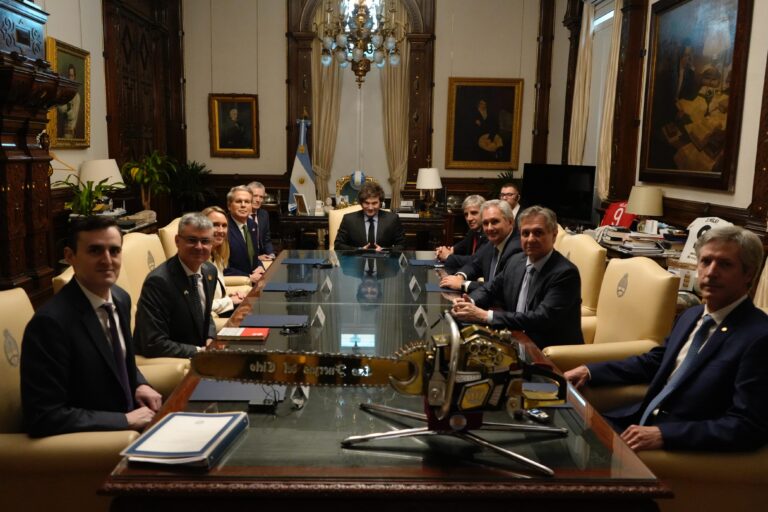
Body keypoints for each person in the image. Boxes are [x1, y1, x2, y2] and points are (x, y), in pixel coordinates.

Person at [565, 226, 768, 453]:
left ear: (748, 273)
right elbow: (654, 362)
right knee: (554, 428)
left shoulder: (758, 337)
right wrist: (590, 371)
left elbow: (748, 425)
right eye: (706, 261)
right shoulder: (692, 314)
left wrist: (666, 436)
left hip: (671, 445)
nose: (711, 272)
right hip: (633, 421)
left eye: (725, 264)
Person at [20, 216, 161, 437]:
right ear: (70, 256)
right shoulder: (50, 324)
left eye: (114, 251)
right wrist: (123, 420)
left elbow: (118, 360)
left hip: (139, 421)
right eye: (95, 251)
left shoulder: (120, 298)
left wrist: (139, 384)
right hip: (99, 443)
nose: (107, 260)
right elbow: (44, 416)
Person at [451, 205, 583, 349]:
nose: (530, 239)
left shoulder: (565, 273)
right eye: (525, 233)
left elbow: (540, 319)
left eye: (538, 233)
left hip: (546, 349)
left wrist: (485, 315)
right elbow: (490, 289)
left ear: (554, 234)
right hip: (515, 338)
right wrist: (469, 302)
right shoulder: (516, 261)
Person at [134, 212, 218, 358]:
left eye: (205, 241)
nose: (199, 247)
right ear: (177, 241)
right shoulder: (159, 282)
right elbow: (153, 343)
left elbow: (205, 314)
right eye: (192, 240)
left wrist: (210, 337)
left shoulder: (209, 271)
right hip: (171, 361)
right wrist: (198, 351)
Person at [439, 200, 520, 293]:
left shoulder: (516, 248)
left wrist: (463, 284)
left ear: (510, 222)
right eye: (485, 223)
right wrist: (460, 276)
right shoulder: (492, 242)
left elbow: (500, 287)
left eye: (495, 222)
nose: (489, 228)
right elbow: (475, 264)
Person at [203, 206, 249, 317]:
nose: (221, 230)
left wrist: (231, 295)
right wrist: (229, 301)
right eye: (215, 225)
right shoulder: (197, 260)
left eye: (224, 226)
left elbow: (216, 292)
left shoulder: (217, 255)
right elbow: (200, 306)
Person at [334, 182, 406, 251]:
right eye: (366, 203)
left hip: (383, 261)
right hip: (356, 260)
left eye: (374, 203)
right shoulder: (349, 219)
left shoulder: (392, 219)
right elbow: (338, 245)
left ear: (380, 203)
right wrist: (358, 250)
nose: (370, 207)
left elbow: (402, 245)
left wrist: (385, 250)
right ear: (361, 203)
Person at [225, 185, 265, 281]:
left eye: (247, 202)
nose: (243, 205)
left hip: (255, 280)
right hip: (237, 282)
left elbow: (253, 256)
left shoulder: (252, 225)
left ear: (251, 206)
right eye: (238, 201)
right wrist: (248, 277)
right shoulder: (223, 228)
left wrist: (260, 266)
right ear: (229, 206)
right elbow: (221, 267)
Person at [436, 194, 487, 270]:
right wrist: (446, 251)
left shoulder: (489, 233)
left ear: (484, 213)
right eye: (466, 214)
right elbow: (462, 246)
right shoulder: (472, 231)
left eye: (474, 213)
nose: (469, 218)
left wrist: (447, 256)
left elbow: (476, 260)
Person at [247, 181, 276, 261]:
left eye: (261, 197)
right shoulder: (241, 215)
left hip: (262, 256)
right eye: (255, 196)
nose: (258, 200)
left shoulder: (264, 214)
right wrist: (257, 258)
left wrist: (271, 254)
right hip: (245, 259)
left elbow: (267, 240)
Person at [57, 64, 81, 138]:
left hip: (70, 134)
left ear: (74, 77)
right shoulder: (64, 92)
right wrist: (68, 107)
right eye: (69, 76)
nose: (70, 78)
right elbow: (60, 108)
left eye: (72, 76)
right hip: (63, 132)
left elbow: (72, 116)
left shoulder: (76, 96)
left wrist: (66, 107)